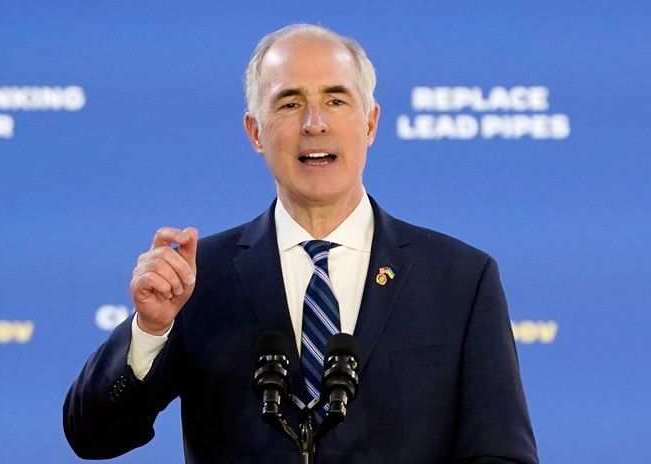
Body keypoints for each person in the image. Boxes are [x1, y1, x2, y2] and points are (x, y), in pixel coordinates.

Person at [63, 24, 539, 463]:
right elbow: (94, 436)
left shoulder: (459, 279)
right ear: (255, 132)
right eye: (289, 103)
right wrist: (149, 330)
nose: (314, 122)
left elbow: (500, 453)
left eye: (336, 100)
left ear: (370, 123)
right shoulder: (197, 278)